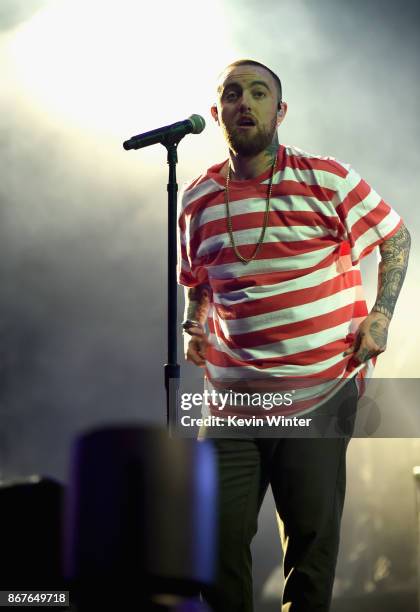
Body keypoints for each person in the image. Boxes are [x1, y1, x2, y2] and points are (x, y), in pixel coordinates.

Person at [177, 59, 410, 612]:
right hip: (232, 400)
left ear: (280, 111)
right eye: (233, 94)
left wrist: (380, 317)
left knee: (310, 550)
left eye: (259, 94)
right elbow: (199, 280)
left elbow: (397, 239)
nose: (245, 103)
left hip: (320, 389)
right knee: (214, 546)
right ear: (217, 114)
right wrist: (195, 320)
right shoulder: (196, 200)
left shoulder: (324, 178)